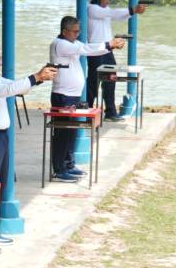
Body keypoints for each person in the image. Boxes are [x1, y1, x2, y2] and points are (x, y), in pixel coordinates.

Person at [0, 41, 56, 252]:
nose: (0, 64)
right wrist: (37, 76)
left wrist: (40, 79)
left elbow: (16, 86)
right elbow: (8, 89)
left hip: (0, 137)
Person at [48, 16, 125, 183]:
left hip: (72, 95)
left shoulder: (72, 43)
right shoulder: (60, 44)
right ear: (64, 31)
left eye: (79, 30)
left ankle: (68, 164)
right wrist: (108, 44)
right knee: (63, 133)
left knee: (72, 132)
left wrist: (108, 47)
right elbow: (87, 50)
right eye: (75, 31)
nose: (78, 34)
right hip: (63, 95)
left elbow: (88, 48)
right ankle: (59, 169)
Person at [86, 0, 146, 121]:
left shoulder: (104, 10)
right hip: (95, 51)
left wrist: (133, 12)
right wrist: (133, 9)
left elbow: (117, 15)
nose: (108, 1)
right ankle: (86, 110)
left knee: (111, 80)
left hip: (107, 50)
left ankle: (111, 112)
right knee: (93, 83)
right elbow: (113, 13)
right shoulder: (92, 8)